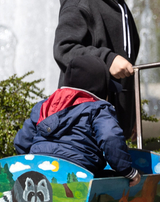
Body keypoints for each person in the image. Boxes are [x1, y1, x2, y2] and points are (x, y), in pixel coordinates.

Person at [53, 0, 147, 139]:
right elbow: (64, 48)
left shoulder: (117, 2)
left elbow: (126, 62)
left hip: (110, 126)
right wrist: (108, 60)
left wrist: (129, 115)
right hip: (84, 124)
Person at [14, 54, 141, 185]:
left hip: (38, 170)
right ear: (100, 89)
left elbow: (21, 142)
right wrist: (126, 170)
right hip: (79, 174)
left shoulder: (43, 106)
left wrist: (33, 163)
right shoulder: (98, 109)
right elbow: (110, 137)